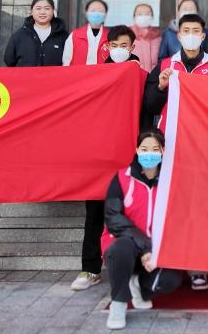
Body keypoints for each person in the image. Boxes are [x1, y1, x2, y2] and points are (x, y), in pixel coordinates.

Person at [72, 25, 143, 292]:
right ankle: (90, 268)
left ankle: (135, 268)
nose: (119, 50)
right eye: (115, 46)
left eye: (124, 46)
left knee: (132, 212)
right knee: (94, 214)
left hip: (129, 156)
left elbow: (149, 107)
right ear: (107, 47)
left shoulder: (142, 75)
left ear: (132, 48)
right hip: (99, 156)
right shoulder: (95, 76)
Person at [103, 129, 184, 330]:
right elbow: (113, 218)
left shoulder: (170, 181)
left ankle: (137, 285)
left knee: (171, 279)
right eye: (145, 149)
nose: (149, 154)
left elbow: (178, 219)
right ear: (137, 150)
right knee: (121, 248)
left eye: (155, 149)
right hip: (128, 246)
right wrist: (145, 247)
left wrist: (157, 251)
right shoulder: (121, 178)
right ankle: (118, 304)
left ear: (163, 151)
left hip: (155, 252)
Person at [3, 0, 68, 67]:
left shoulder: (63, 35)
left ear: (53, 11)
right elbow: (9, 60)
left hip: (54, 74)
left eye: (47, 8)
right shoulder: (20, 35)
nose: (42, 12)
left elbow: (68, 61)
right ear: (32, 11)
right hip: (26, 74)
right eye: (38, 8)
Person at [62, 0, 110, 66]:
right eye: (93, 10)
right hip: (79, 72)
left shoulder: (111, 36)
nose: (96, 14)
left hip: (104, 72)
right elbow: (66, 60)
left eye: (100, 11)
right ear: (86, 13)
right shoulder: (75, 35)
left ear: (105, 14)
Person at [159, 0, 203, 64]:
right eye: (185, 9)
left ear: (197, 12)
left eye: (191, 9)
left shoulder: (205, 33)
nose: (188, 11)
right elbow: (162, 58)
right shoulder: (168, 34)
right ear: (178, 12)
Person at [130, 2, 162, 71]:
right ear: (134, 17)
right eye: (140, 14)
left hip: (154, 76)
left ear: (152, 17)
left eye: (147, 14)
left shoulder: (158, 36)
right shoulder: (128, 35)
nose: (143, 17)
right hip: (134, 75)